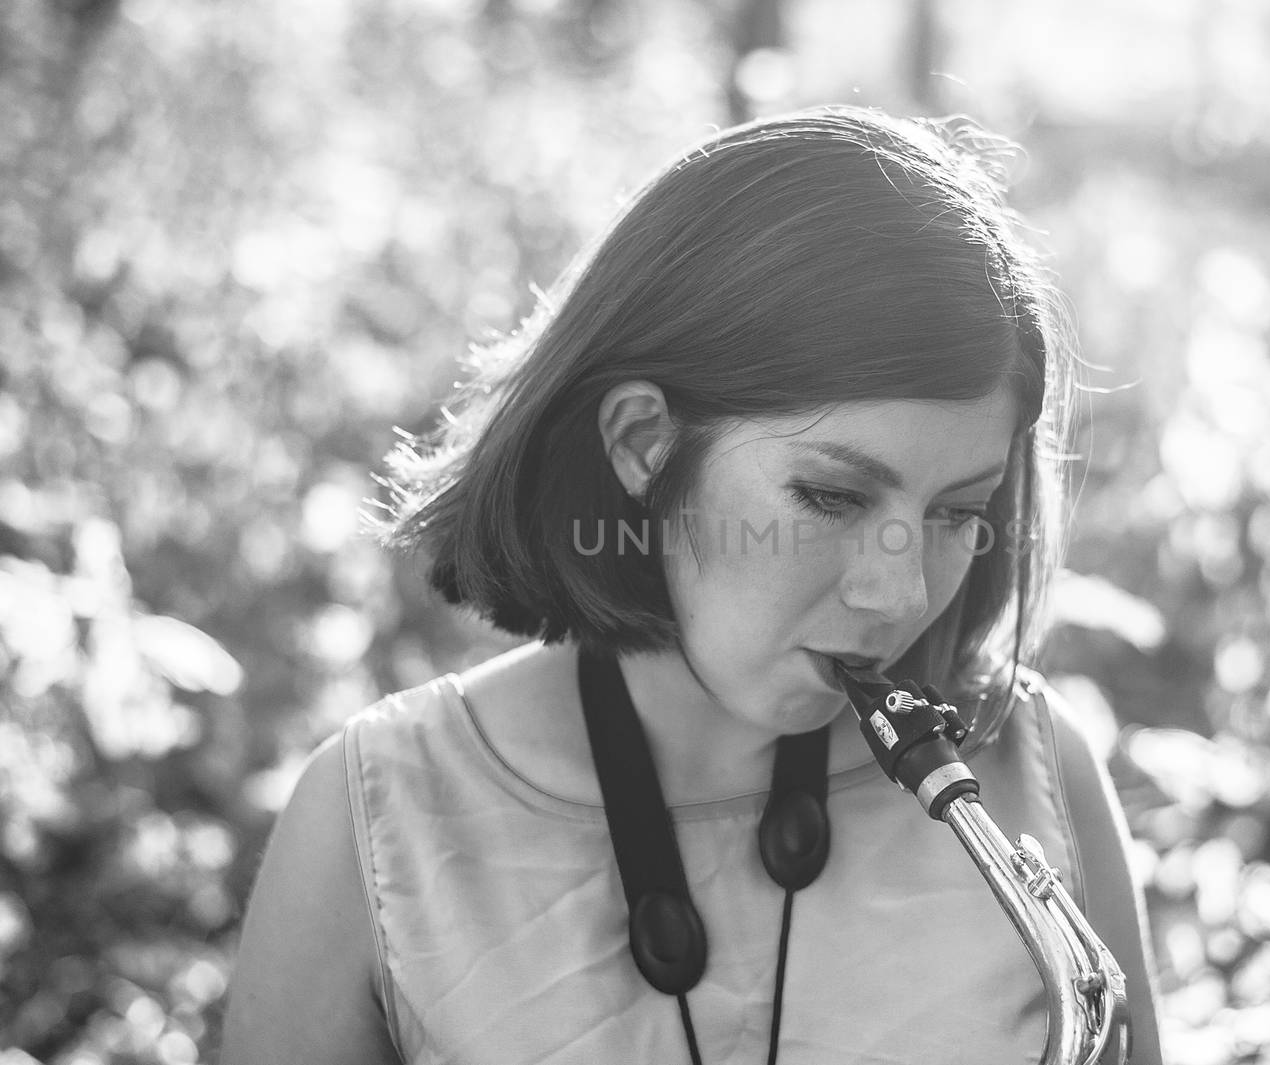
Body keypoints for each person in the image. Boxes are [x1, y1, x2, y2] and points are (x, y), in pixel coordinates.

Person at [221, 106, 1164, 1065]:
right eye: (832, 495)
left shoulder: (1041, 779)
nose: (902, 594)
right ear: (642, 441)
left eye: (958, 510)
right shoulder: (372, 822)